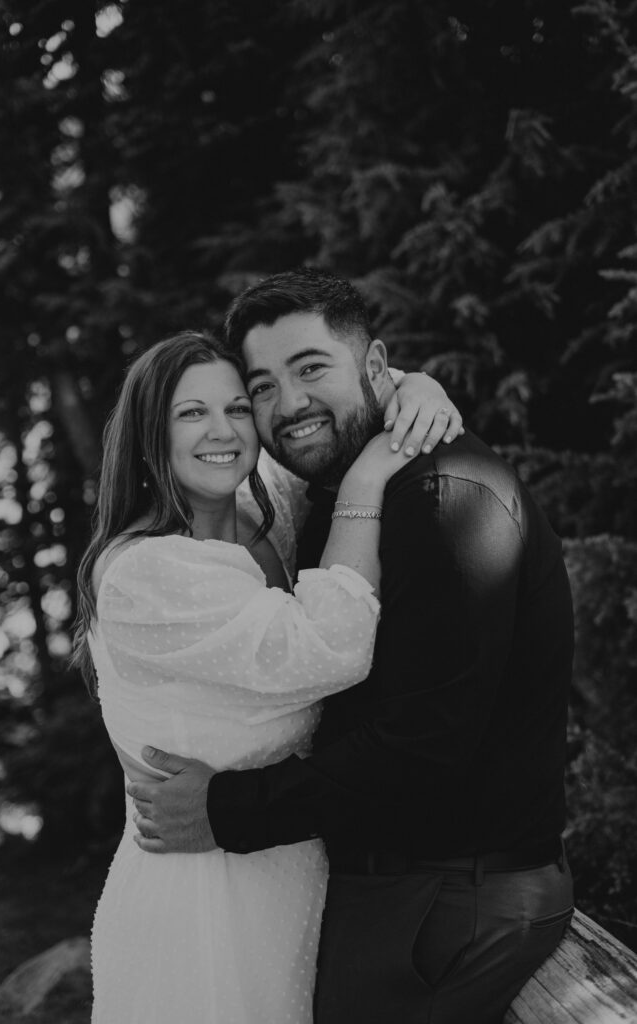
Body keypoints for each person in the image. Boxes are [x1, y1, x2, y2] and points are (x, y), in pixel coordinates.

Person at [130, 269, 575, 1024]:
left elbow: (423, 746)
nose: (288, 404)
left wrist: (227, 809)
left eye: (311, 369)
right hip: (406, 886)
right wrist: (412, 385)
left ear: (373, 368)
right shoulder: (345, 491)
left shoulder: (439, 504)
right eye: (261, 387)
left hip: (444, 896)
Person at [72, 329, 462, 1024]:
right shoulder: (146, 573)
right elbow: (330, 647)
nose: (222, 431)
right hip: (203, 899)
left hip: (287, 869)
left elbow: (354, 389)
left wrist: (416, 388)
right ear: (147, 436)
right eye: (191, 414)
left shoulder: (261, 512)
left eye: (237, 407)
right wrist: (367, 481)